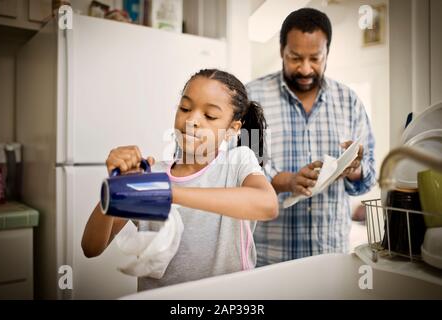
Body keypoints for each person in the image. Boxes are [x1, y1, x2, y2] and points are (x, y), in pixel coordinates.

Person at [81, 69, 278, 291]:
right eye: (185, 108)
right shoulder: (151, 175)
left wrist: (167, 193)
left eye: (210, 116)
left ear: (233, 129)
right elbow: (91, 247)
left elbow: (267, 204)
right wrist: (116, 187)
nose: (192, 120)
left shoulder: (238, 162)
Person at [246, 8, 376, 265]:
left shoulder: (348, 101)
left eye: (315, 58)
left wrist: (355, 168)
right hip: (270, 258)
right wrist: (288, 181)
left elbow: (368, 179)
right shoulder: (252, 98)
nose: (305, 69)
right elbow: (242, 168)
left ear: (327, 53)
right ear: (281, 50)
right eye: (295, 57)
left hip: (331, 256)